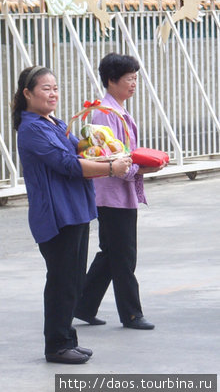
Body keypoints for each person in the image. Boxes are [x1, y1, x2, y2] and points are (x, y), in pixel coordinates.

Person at [13, 65, 131, 364]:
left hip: (75, 210)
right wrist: (109, 168)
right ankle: (56, 345)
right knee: (62, 282)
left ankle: (67, 339)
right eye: (45, 89)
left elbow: (77, 152)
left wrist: (100, 144)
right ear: (27, 93)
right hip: (56, 214)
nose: (52, 94)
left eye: (55, 88)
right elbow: (66, 164)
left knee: (74, 280)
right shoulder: (32, 128)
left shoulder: (53, 122)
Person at [75, 54, 162, 330]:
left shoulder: (116, 109)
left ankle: (83, 305)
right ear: (112, 81)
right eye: (129, 79)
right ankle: (131, 314)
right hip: (110, 194)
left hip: (117, 193)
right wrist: (139, 169)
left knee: (111, 253)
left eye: (136, 78)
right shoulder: (105, 112)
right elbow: (106, 157)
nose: (134, 84)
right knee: (123, 255)